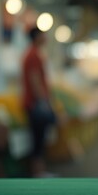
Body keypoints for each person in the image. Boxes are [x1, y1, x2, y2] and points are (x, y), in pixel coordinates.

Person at [21, 27, 56, 177]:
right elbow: (35, 80)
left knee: (38, 137)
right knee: (38, 138)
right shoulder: (33, 55)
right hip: (35, 104)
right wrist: (44, 101)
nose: (46, 37)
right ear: (37, 37)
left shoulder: (32, 54)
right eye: (43, 34)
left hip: (34, 103)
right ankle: (37, 172)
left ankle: (39, 170)